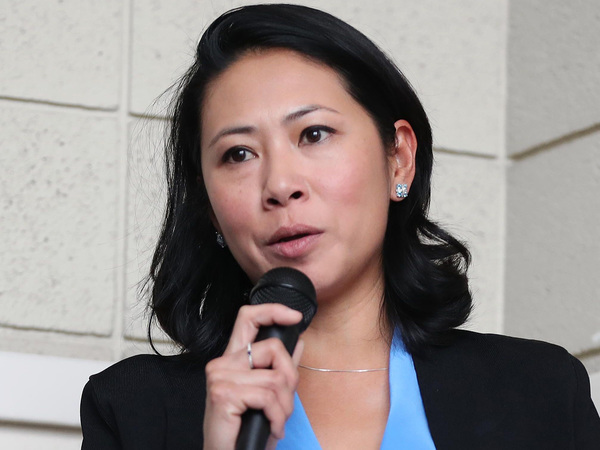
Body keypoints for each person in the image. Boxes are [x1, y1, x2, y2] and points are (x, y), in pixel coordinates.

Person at [80, 4, 600, 449]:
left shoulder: (543, 392)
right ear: (209, 208)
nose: (280, 185)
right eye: (238, 153)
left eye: (314, 134)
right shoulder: (133, 411)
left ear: (398, 160)